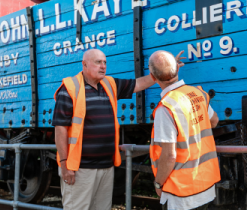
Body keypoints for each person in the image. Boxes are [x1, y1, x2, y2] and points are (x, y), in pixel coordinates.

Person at [52, 49, 155, 210]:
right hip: (80, 169)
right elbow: (60, 130)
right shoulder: (70, 89)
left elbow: (139, 84)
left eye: (105, 62)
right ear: (84, 64)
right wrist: (64, 165)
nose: (103, 66)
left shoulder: (110, 84)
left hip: (106, 167)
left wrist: (163, 72)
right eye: (98, 62)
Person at [148, 50, 220, 210]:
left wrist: (158, 183)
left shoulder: (166, 108)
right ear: (177, 70)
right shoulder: (197, 94)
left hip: (181, 194)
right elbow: (214, 121)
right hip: (205, 186)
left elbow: (169, 156)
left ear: (153, 78)